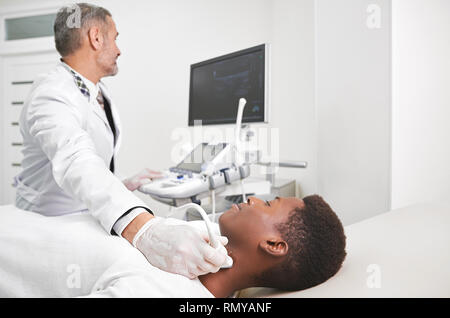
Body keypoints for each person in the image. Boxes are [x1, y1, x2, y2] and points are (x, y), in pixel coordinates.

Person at [14, 2, 227, 279]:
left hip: (84, 212)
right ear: (95, 37)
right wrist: (143, 229)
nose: (118, 49)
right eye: (115, 38)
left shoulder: (97, 90)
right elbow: (75, 159)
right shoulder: (51, 93)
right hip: (51, 224)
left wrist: (123, 182)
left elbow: (93, 158)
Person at [0, 195, 347, 297]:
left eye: (268, 203)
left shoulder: (165, 292)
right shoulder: (202, 234)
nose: (254, 197)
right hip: (15, 219)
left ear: (273, 244)